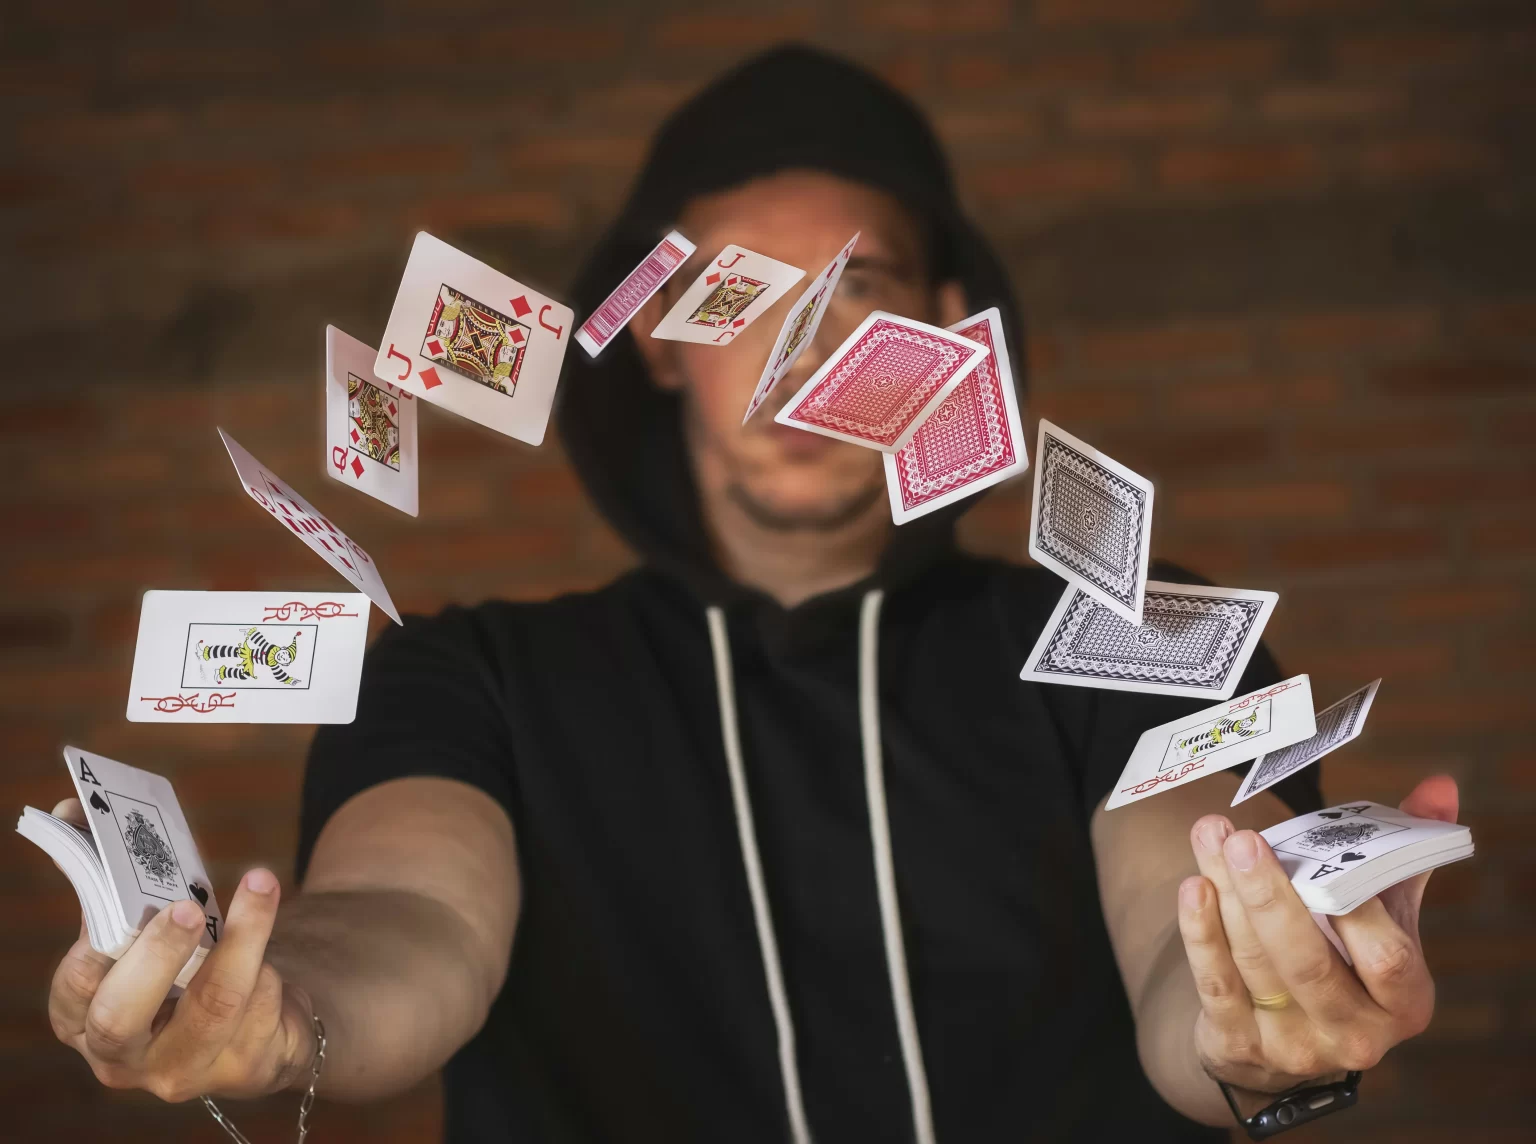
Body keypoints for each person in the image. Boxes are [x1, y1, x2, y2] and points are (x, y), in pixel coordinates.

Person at [44, 47, 1456, 1142]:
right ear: (658, 337)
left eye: (856, 295)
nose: (793, 358)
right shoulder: (462, 675)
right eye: (741, 296)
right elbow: (409, 920)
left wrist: (1253, 1012)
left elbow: (1185, 932)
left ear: (955, 331)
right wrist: (279, 1012)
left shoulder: (1131, 623)